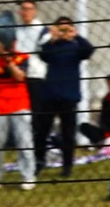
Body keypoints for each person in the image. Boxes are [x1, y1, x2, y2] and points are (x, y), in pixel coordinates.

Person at [36, 16, 95, 177]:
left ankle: (67, 166)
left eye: (66, 28)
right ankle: (39, 162)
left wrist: (75, 35)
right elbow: (42, 54)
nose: (63, 31)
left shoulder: (76, 47)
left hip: (69, 96)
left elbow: (89, 50)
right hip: (50, 95)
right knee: (42, 132)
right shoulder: (52, 46)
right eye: (60, 28)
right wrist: (52, 38)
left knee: (68, 133)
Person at [0, 39, 35, 192]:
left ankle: (28, 176)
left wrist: (8, 61)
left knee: (24, 140)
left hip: (19, 103)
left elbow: (19, 76)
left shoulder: (22, 57)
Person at [14, 0, 49, 115]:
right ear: (19, 11)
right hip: (17, 75)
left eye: (29, 9)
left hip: (35, 75)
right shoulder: (16, 30)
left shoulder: (42, 30)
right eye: (23, 9)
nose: (26, 12)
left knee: (36, 110)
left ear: (35, 11)